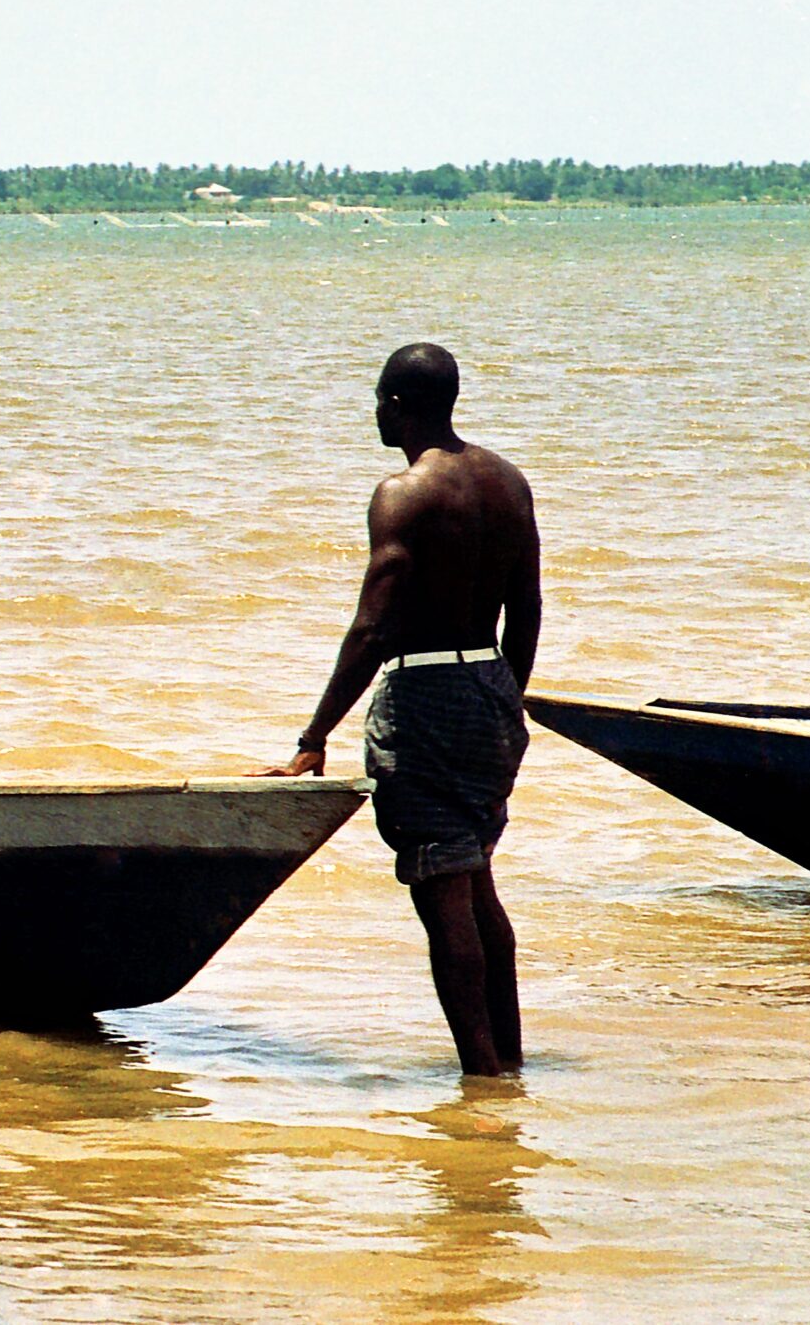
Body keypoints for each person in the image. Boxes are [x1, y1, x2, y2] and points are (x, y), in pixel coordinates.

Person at [255, 343, 540, 1077]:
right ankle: (509, 1064)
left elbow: (374, 628)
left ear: (397, 405)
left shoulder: (403, 494)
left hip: (426, 696)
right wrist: (509, 696)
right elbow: (528, 608)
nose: (376, 411)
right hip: (491, 683)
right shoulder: (508, 482)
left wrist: (313, 736)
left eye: (379, 399)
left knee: (445, 891)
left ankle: (482, 1079)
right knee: (477, 880)